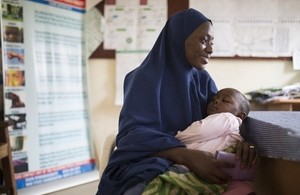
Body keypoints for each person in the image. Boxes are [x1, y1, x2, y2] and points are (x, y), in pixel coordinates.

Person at [96, 8, 259, 195]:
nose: (210, 49)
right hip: (147, 160)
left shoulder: (203, 80)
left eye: (211, 42)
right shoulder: (144, 78)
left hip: (198, 158)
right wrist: (185, 155)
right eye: (203, 40)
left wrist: (245, 143)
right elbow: (133, 137)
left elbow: (224, 120)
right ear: (178, 38)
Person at [142, 88, 254, 194]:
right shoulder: (221, 125)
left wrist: (176, 138)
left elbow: (199, 131)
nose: (216, 102)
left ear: (240, 115)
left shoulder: (229, 118)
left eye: (225, 100)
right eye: (214, 99)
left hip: (198, 169)